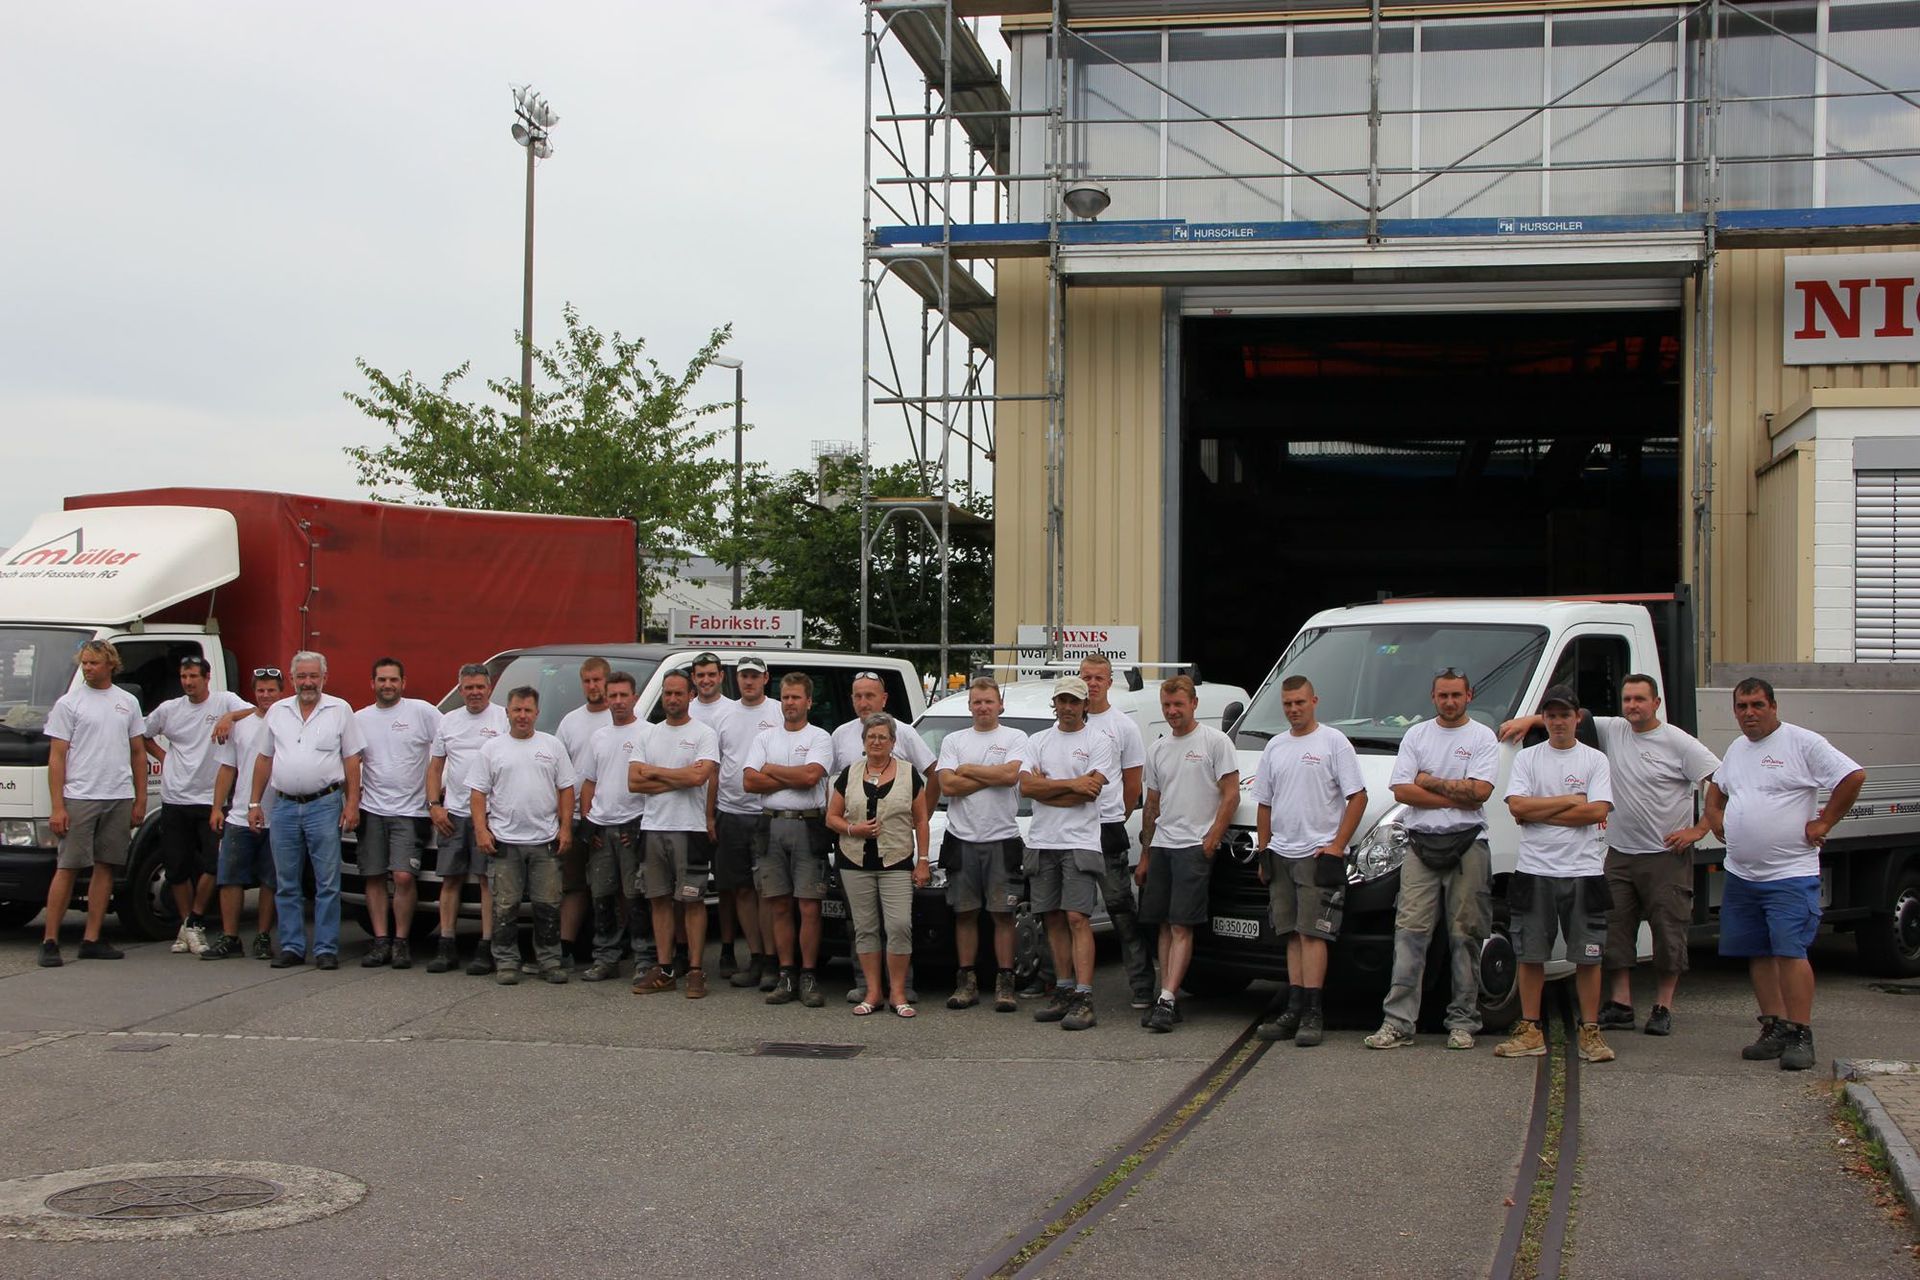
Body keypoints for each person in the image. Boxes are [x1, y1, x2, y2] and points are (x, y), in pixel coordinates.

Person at [1499, 674, 1721, 1036]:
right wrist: (1530, 720)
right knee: (1616, 932)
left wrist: (1700, 829)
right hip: (1619, 852)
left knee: (1668, 933)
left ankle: (1663, 1005)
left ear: (1656, 703)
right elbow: (1569, 716)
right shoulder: (1614, 729)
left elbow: (1720, 777)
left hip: (1664, 852)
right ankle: (1621, 1004)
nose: (1633, 705)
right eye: (1627, 698)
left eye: (1640, 699)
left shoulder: (1677, 741)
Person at [1703, 678, 1865, 1072]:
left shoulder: (1802, 743)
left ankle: (1800, 1032)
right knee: (1757, 953)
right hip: (1742, 875)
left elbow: (1852, 776)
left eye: (1757, 705)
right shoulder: (1738, 749)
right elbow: (1717, 787)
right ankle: (1773, 1027)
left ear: (1774, 706)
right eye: (1741, 706)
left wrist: (1824, 821)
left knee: (1790, 952)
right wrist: (1715, 815)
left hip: (1789, 874)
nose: (1749, 713)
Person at [1364, 668, 1500, 1051]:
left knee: (1466, 936)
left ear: (1469, 695)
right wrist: (1457, 794)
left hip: (1469, 843)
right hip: (1421, 843)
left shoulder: (1482, 737)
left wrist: (1428, 781)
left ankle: (1463, 1022)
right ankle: (1398, 1023)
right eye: (1443, 695)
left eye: (1456, 695)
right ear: (1433, 696)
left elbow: (1482, 792)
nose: (1450, 702)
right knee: (1409, 934)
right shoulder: (1417, 735)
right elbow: (1403, 790)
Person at [1494, 686, 1618, 1064]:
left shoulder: (1594, 760)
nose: (1558, 721)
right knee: (1530, 954)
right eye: (1551, 715)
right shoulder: (1529, 758)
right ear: (1543, 719)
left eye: (1564, 715)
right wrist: (1569, 801)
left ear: (1576, 718)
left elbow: (1597, 812)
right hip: (1535, 869)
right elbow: (1516, 806)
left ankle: (1590, 1031)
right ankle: (1531, 1029)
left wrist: (1539, 811)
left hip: (1583, 870)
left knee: (1588, 955)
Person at [1249, 676, 1366, 1045]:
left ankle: (1314, 1012)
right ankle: (1293, 1007)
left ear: (1314, 700)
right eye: (1287, 704)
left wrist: (1337, 845)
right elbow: (1264, 803)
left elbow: (1358, 797)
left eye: (1299, 702)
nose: (1293, 709)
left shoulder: (1334, 742)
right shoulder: (1275, 747)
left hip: (1316, 855)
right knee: (1291, 934)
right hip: (1281, 852)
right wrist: (1264, 851)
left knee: (1313, 933)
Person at [247, 651, 364, 970]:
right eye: (302, 677)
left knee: (327, 882)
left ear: (324, 678)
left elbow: (352, 760)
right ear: (293, 678)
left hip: (324, 805)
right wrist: (255, 803)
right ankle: (292, 946)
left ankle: (326, 949)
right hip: (283, 806)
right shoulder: (278, 712)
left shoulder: (340, 710)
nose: (308, 682)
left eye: (314, 676)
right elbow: (263, 759)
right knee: (286, 882)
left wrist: (352, 803)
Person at [1136, 676, 1240, 1034]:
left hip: (1194, 846)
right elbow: (1152, 803)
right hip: (1163, 844)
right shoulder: (1158, 748)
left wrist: (1212, 838)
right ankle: (1170, 996)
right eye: (1167, 705)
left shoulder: (1215, 742)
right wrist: (1147, 853)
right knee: (1162, 922)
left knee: (1182, 923)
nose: (1172, 712)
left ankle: (1166, 997)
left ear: (1194, 703)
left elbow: (1231, 794)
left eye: (1178, 704)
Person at [37, 640, 146, 968]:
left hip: (117, 795)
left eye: (94, 663)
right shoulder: (69, 704)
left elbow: (138, 752)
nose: (87, 669)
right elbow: (56, 757)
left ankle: (92, 938)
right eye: (84, 663)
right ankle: (50, 940)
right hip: (80, 795)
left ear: (110, 664)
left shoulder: (127, 702)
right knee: (68, 866)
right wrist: (58, 806)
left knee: (106, 866)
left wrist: (139, 799)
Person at [832, 670, 939, 1005]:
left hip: (895, 851)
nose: (864, 702)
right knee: (860, 923)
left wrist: (921, 818)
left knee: (898, 924)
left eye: (870, 695)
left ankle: (901, 987)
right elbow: (834, 788)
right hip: (854, 850)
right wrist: (849, 828)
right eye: (858, 695)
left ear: (884, 699)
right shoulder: (839, 735)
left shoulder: (904, 733)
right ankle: (866, 985)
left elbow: (932, 772)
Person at [1020, 675, 1115, 1032]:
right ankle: (1062, 988)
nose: (1068, 707)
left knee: (1078, 918)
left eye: (1074, 701)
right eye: (1062, 700)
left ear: (1085, 705)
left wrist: (1050, 788)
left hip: (1080, 841)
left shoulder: (1098, 741)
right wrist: (1070, 783)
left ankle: (1084, 996)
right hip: (1043, 840)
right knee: (1053, 918)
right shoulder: (1037, 740)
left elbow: (1089, 792)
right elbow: (1027, 787)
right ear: (1054, 703)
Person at [468, 686, 576, 984]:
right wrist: (481, 830)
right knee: (505, 905)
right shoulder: (492, 749)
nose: (522, 716)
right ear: (507, 713)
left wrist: (565, 827)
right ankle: (506, 962)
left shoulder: (552, 746)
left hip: (545, 842)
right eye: (517, 710)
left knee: (548, 905)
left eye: (528, 710)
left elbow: (567, 788)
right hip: (505, 843)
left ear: (537, 713)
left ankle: (550, 961)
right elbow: (477, 793)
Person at [935, 676, 1030, 1013]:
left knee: (1003, 915)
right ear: (969, 705)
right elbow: (947, 785)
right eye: (977, 702)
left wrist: (970, 770)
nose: (983, 707)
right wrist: (991, 774)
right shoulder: (953, 739)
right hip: (961, 839)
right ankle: (967, 983)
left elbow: (1010, 777)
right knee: (965, 913)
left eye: (989, 701)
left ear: (1000, 704)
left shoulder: (1016, 737)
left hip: (1002, 839)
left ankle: (1005, 983)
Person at [143, 655, 250, 954]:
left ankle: (195, 921)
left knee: (214, 865)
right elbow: (141, 734)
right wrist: (164, 758)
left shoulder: (224, 700)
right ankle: (187, 925)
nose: (188, 682)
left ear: (206, 677)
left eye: (193, 676)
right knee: (176, 868)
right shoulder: (169, 709)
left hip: (210, 799)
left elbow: (257, 711)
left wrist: (230, 718)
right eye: (184, 676)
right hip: (175, 797)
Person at [743, 672, 835, 1008]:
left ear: (809, 702)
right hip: (770, 826)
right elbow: (750, 782)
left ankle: (809, 975)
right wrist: (790, 777)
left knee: (809, 906)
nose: (790, 704)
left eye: (796, 697)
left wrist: (771, 769)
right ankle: (786, 973)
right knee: (778, 904)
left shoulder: (820, 737)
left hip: (807, 826)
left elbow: (812, 777)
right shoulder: (765, 737)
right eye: (785, 697)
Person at [628, 671, 721, 998]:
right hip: (653, 828)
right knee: (659, 900)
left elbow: (699, 778)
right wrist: (677, 777)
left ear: (691, 695)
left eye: (678, 693)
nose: (671, 699)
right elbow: (633, 782)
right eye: (667, 693)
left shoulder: (704, 734)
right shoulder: (647, 735)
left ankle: (696, 970)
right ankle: (665, 968)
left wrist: (654, 771)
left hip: (690, 829)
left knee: (693, 902)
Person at [1078, 655, 1154, 1010]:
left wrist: (1117, 815)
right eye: (1086, 677)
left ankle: (1141, 985)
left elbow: (1133, 782)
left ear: (1110, 682)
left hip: (1107, 829)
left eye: (1098, 678)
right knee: (1071, 913)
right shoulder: (1067, 721)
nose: (1091, 684)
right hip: (1072, 830)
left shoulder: (1122, 726)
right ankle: (1058, 982)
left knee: (1121, 910)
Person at [354, 657, 439, 969]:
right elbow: (350, 761)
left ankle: (402, 941)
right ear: (372, 683)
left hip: (411, 811)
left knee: (403, 876)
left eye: (393, 680)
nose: (387, 685)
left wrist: (437, 795)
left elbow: (445, 748)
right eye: (381, 680)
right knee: (374, 875)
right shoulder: (360, 718)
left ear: (403, 682)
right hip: (372, 809)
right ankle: (381, 941)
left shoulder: (423, 712)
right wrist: (352, 800)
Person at [425, 664, 509, 975]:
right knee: (450, 880)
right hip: (454, 814)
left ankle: (486, 947)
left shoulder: (503, 719)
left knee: (487, 882)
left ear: (490, 688)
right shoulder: (448, 722)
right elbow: (435, 768)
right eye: (468, 687)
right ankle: (446, 945)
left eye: (480, 687)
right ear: (460, 690)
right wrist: (435, 805)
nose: (474, 692)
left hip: (489, 815)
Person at [204, 668, 284, 960]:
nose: (266, 696)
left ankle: (263, 936)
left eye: (271, 690)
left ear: (281, 692)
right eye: (261, 690)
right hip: (239, 814)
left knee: (270, 880)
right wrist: (217, 807)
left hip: (278, 815)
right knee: (230, 878)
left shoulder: (287, 720)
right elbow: (227, 768)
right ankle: (230, 937)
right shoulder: (241, 724)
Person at [576, 670, 648, 982]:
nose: (618, 702)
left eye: (623, 695)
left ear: (634, 697)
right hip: (602, 829)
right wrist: (588, 822)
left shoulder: (649, 733)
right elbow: (589, 783)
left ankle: (645, 958)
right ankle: (606, 957)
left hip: (634, 826)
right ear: (607, 699)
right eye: (613, 696)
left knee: (637, 896)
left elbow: (653, 781)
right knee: (602, 897)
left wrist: (644, 826)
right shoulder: (599, 737)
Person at [715, 656, 779, 990]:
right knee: (741, 890)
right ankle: (754, 957)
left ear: (766, 678)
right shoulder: (724, 714)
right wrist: (711, 813)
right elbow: (716, 764)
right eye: (743, 676)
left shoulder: (779, 711)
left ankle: (773, 961)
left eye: (755, 676)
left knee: (768, 891)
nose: (749, 682)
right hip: (731, 812)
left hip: (767, 812)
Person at [554, 657, 612, 973]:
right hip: (575, 816)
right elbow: (559, 773)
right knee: (573, 885)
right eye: (587, 681)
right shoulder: (569, 723)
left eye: (597, 680)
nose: (593, 686)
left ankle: (611, 948)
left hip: (611, 816)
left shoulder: (622, 717)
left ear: (607, 680)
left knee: (609, 887)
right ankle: (565, 947)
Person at [687, 652, 737, 728]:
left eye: (711, 675)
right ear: (693, 678)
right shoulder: (685, 711)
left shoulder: (735, 711)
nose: (706, 681)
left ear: (721, 676)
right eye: (701, 675)